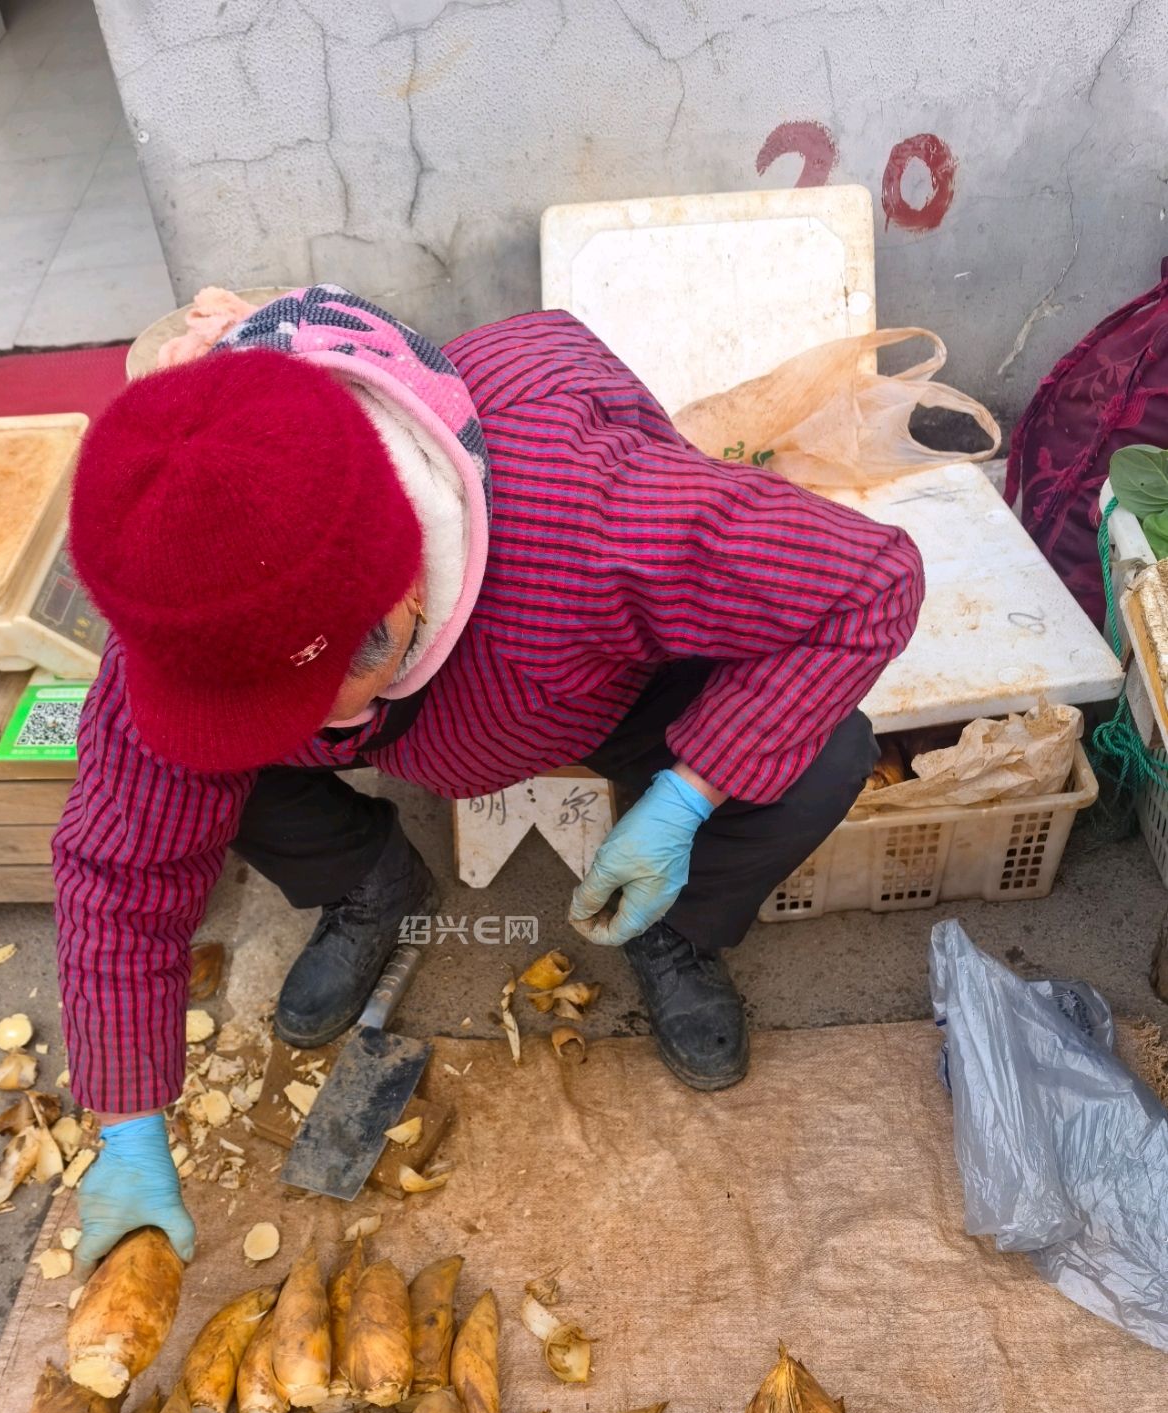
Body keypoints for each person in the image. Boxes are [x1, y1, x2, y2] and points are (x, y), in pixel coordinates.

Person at [56, 286, 923, 1272]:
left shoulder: (601, 518)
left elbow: (870, 584)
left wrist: (690, 792)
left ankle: (677, 925)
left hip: (588, 670)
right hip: (415, 693)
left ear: (402, 590)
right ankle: (369, 881)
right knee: (190, 765)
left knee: (821, 753)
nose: (283, 727)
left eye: (303, 696)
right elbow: (120, 862)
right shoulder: (185, 595)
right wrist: (126, 1122)